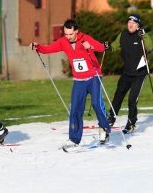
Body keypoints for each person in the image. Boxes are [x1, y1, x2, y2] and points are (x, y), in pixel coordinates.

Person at [31, 19, 111, 150]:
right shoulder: (63, 42)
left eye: (70, 34)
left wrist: (90, 47)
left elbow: (101, 47)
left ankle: (104, 128)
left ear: (76, 31)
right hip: (79, 80)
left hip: (93, 76)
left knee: (96, 103)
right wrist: (37, 47)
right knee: (75, 109)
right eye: (66, 34)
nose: (68, 37)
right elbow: (48, 49)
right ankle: (74, 139)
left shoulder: (85, 38)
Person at [107, 14, 153, 134]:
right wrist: (104, 47)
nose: (130, 24)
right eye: (129, 22)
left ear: (138, 25)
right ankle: (111, 118)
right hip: (127, 72)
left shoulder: (141, 35)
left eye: (133, 23)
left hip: (139, 73)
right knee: (118, 94)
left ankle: (131, 123)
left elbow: (150, 47)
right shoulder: (123, 35)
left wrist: (144, 35)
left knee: (133, 98)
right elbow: (113, 47)